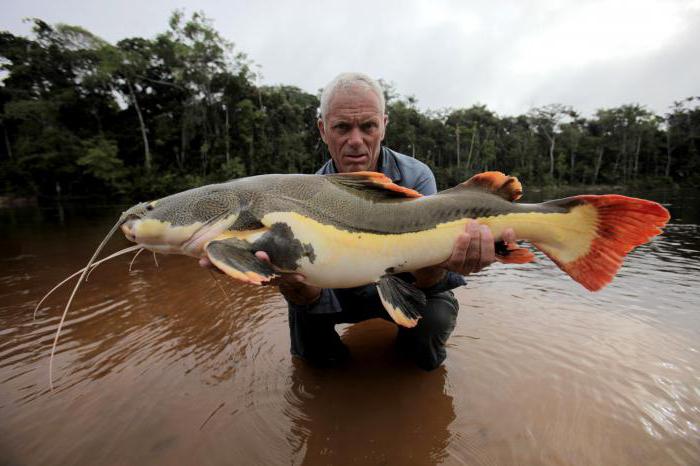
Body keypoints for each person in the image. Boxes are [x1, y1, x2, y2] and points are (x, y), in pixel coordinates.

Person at [203, 72, 515, 370]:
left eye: (367, 126)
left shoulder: (415, 177)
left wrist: (448, 261)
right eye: (342, 128)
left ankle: (414, 359)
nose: (356, 140)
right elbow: (310, 293)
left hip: (405, 283)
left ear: (384, 125)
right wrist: (285, 281)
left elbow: (430, 278)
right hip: (337, 289)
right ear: (323, 130)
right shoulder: (302, 194)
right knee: (310, 352)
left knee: (429, 334)